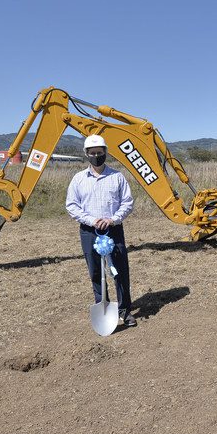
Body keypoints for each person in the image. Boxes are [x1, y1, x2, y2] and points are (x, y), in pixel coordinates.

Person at [65, 134, 136, 327]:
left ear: (105, 153)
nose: (96, 155)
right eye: (93, 153)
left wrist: (111, 220)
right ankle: (102, 305)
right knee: (96, 271)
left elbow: (127, 203)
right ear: (86, 154)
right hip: (89, 232)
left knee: (120, 271)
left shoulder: (117, 177)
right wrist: (92, 220)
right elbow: (72, 205)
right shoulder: (78, 179)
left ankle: (125, 310)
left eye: (100, 152)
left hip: (113, 231)